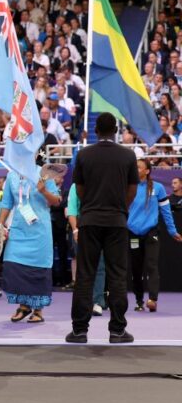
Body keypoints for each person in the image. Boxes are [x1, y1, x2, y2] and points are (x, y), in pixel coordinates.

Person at [67, 113, 138, 343]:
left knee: (85, 275)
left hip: (89, 221)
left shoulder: (84, 155)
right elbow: (132, 191)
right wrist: (120, 209)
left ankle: (79, 331)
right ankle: (117, 331)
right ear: (116, 130)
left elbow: (79, 189)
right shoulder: (128, 156)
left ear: (96, 130)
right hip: (116, 222)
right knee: (117, 275)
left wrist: (91, 206)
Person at [0, 164, 61, 324]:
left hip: (40, 231)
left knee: (37, 268)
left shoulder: (44, 173)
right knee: (14, 265)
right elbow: (6, 203)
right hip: (19, 229)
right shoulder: (12, 175)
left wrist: (44, 191)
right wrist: (1, 225)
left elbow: (57, 201)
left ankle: (38, 310)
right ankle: (24, 306)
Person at [127, 158, 181, 312]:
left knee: (151, 265)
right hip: (133, 233)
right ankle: (139, 301)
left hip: (152, 232)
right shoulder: (129, 188)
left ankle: (152, 299)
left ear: (147, 171)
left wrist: (172, 231)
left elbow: (166, 212)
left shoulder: (158, 188)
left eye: (138, 167)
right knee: (136, 269)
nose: (135, 169)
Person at [67, 179, 106, 314]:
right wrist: (75, 230)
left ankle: (97, 302)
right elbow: (72, 210)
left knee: (100, 266)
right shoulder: (75, 186)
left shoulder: (102, 183)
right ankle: (84, 302)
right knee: (83, 268)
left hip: (100, 227)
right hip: (81, 228)